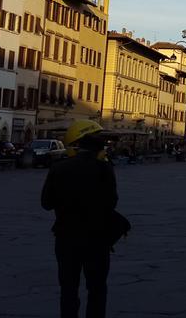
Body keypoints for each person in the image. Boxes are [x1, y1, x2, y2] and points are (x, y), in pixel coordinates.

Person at [41, 120, 118, 318]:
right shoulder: (105, 169)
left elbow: (46, 203)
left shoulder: (59, 168)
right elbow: (112, 202)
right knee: (97, 288)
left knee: (68, 289)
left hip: (66, 237)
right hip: (97, 238)